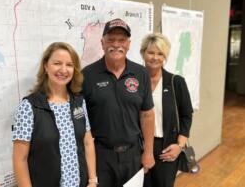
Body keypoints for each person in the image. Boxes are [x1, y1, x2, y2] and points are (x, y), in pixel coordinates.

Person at [12, 42, 97, 187]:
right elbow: (20, 159)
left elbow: (88, 143)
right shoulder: (29, 107)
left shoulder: (79, 102)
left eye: (69, 65)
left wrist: (92, 181)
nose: (63, 70)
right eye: (57, 63)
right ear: (46, 66)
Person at [82, 18, 155, 187]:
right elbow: (81, 121)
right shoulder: (87, 76)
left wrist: (149, 152)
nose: (116, 44)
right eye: (111, 40)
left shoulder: (141, 73)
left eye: (121, 40)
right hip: (101, 156)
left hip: (133, 154)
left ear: (129, 44)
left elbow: (147, 115)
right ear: (102, 43)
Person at [140, 33, 193, 187]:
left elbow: (186, 115)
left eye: (160, 53)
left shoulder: (176, 82)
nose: (155, 57)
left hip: (166, 148)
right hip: (139, 148)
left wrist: (179, 145)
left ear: (165, 57)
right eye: (151, 52)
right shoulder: (134, 82)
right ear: (143, 53)